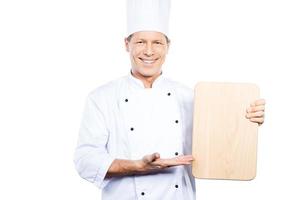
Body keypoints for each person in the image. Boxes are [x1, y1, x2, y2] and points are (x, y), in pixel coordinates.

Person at [73, 0, 266, 199]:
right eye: (140, 42)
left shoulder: (189, 97)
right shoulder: (102, 97)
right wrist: (137, 166)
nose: (149, 51)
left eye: (157, 42)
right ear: (126, 44)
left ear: (168, 46)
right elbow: (85, 160)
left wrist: (247, 120)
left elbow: (217, 141)